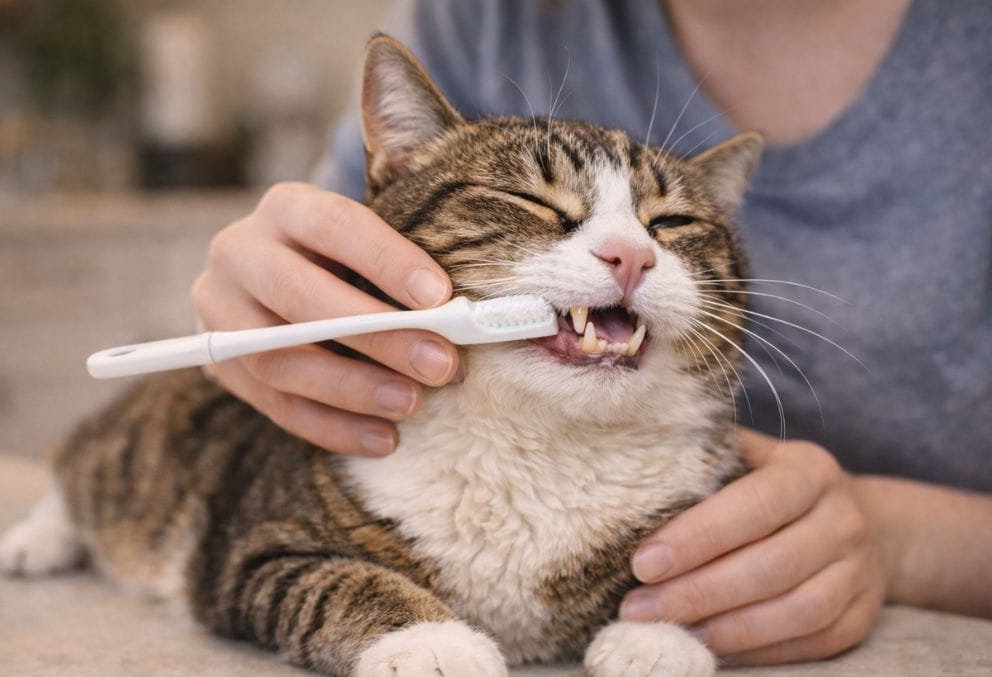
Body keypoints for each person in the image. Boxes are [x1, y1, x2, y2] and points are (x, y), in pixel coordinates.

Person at [189, 0, 992, 666]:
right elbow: (327, 281)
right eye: (539, 206)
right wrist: (273, 303)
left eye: (673, 224)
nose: (632, 252)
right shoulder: (481, 17)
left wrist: (895, 540)